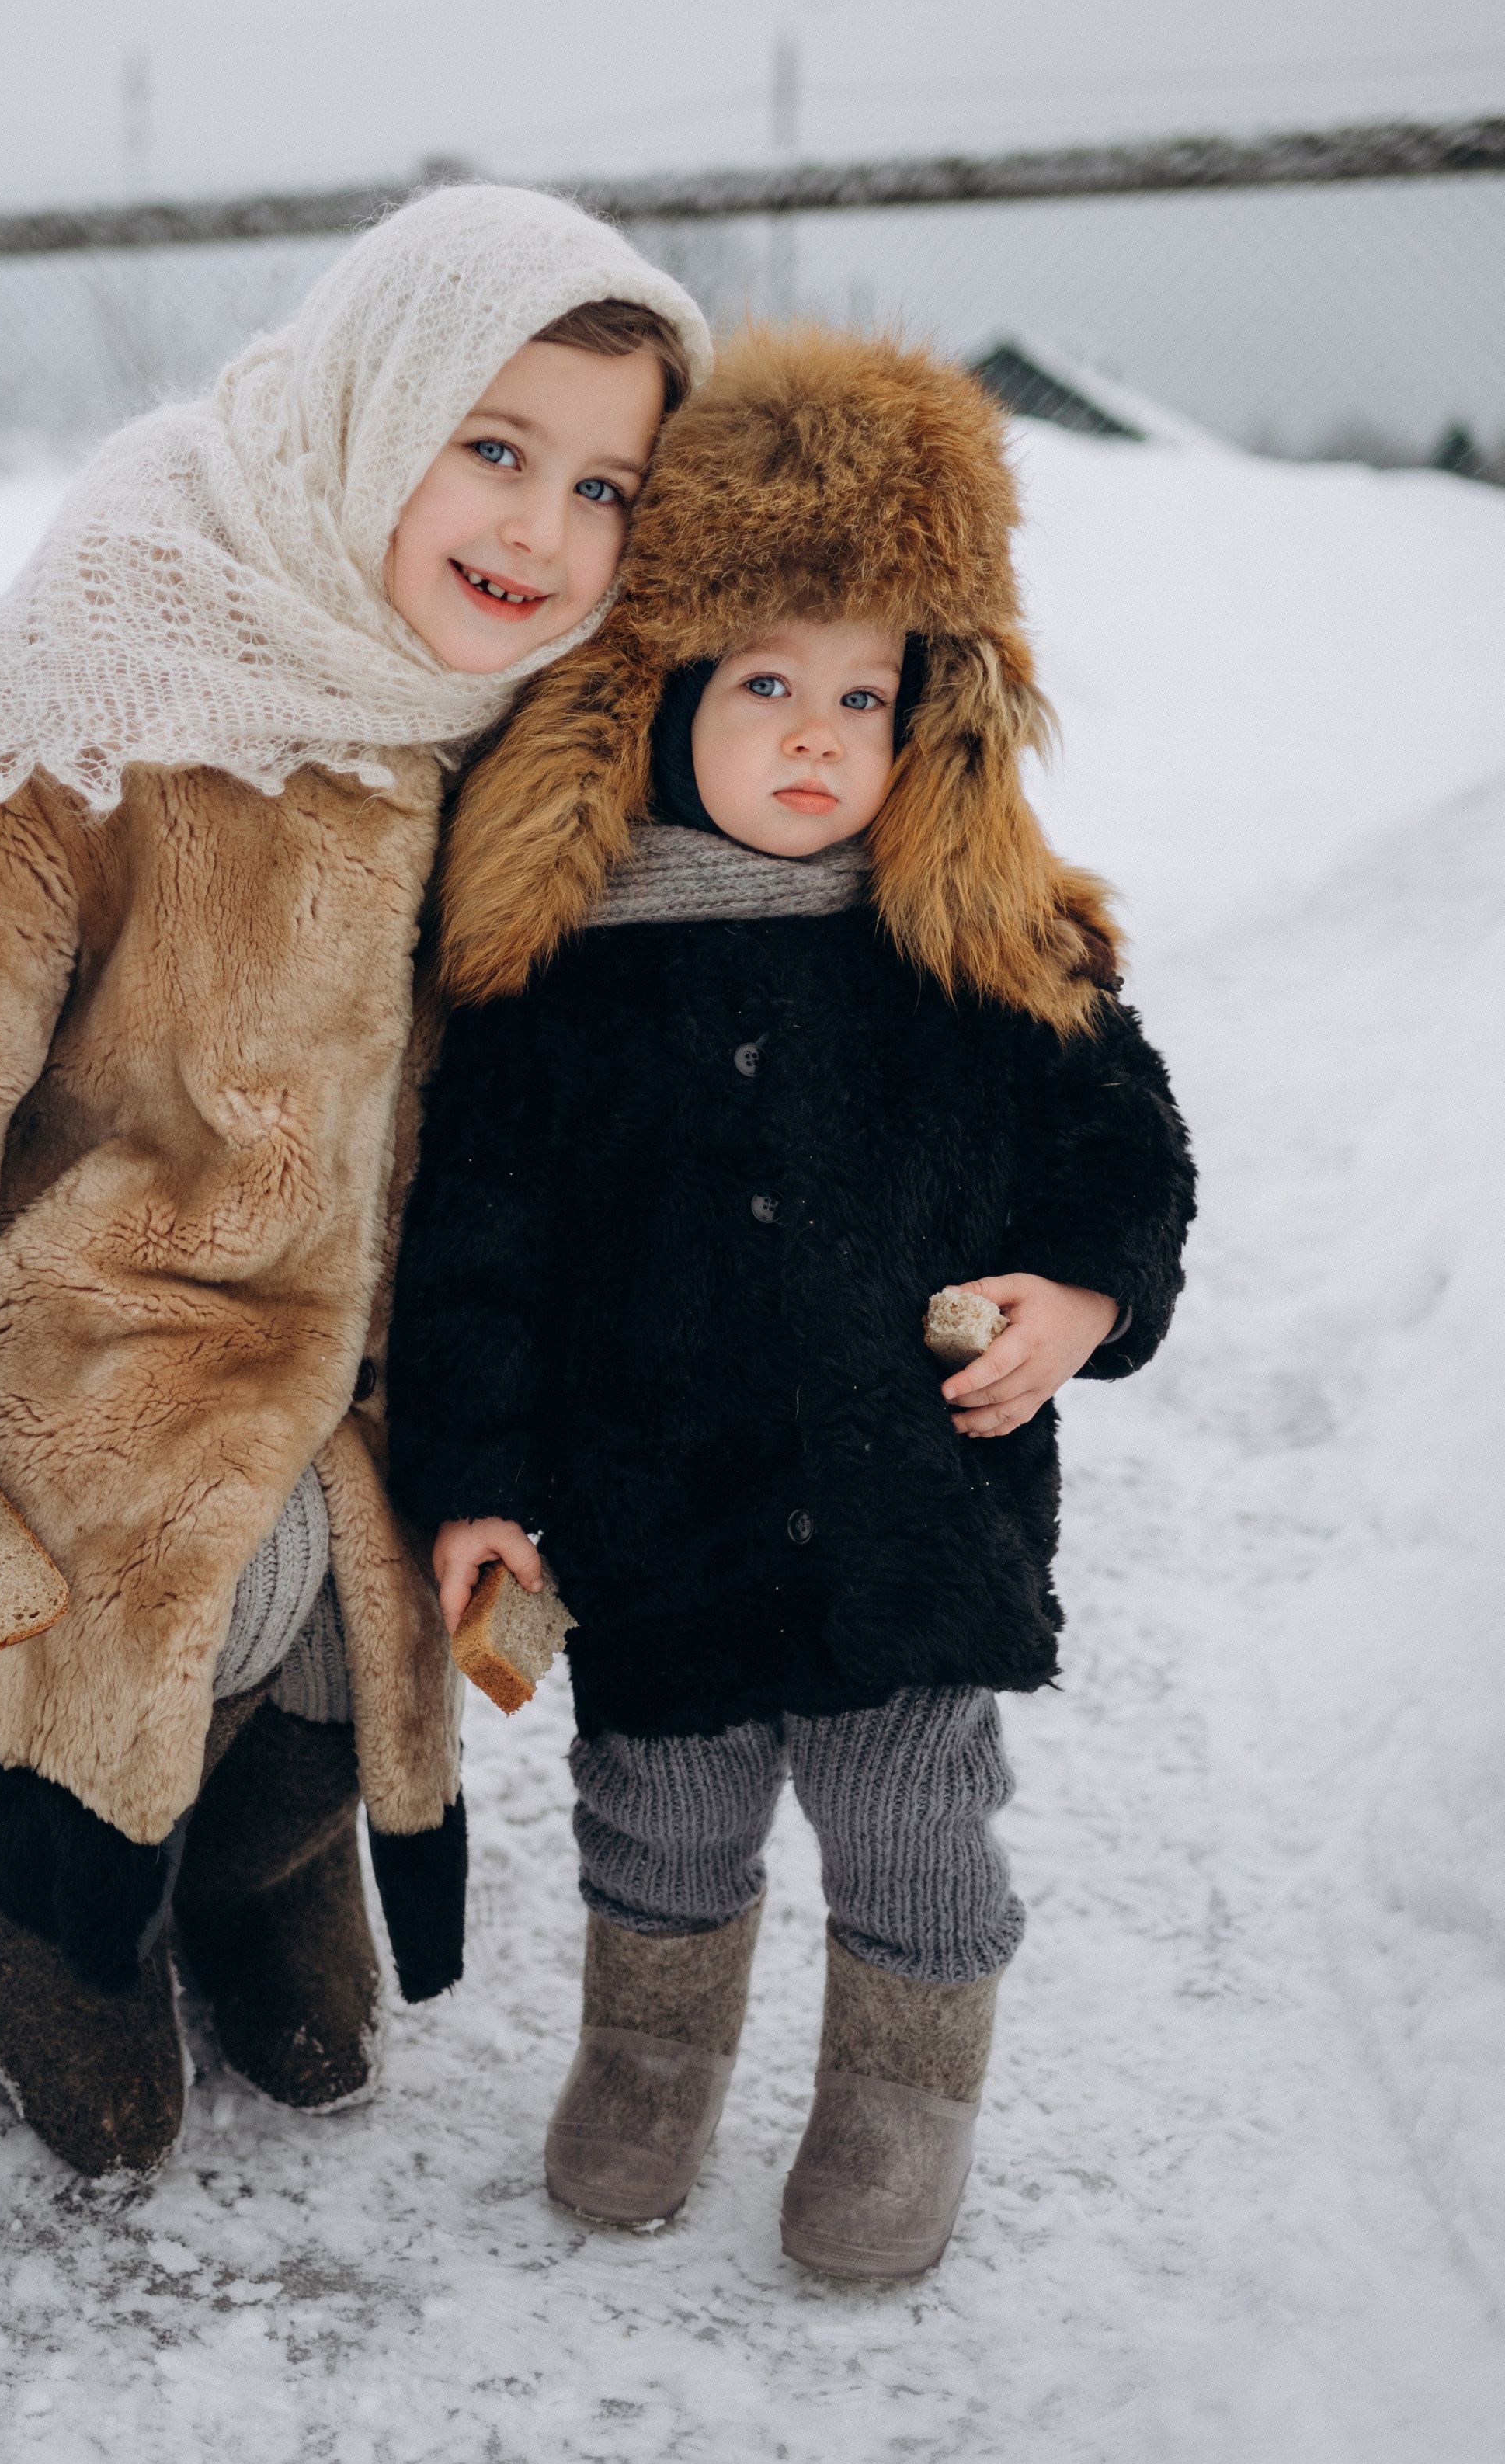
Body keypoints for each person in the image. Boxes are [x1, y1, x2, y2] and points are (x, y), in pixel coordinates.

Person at [0, 184, 711, 2179]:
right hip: (98, 1345)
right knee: (221, 1552)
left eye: (604, 486)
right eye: (494, 448)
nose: (542, 531)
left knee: (399, 1575)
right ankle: (65, 1890)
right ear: (376, 408)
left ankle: (262, 1862)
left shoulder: (526, 731)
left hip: (381, 1347)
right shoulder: (114, 667)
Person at [384, 321, 1197, 2282]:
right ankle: (647, 2059)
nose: (815, 733)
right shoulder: (566, 978)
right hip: (650, 1516)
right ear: (663, 694)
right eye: (764, 682)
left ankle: (898, 2099)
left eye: (861, 692)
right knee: (656, 1811)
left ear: (934, 715)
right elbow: (475, 1248)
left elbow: (1124, 1152)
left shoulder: (973, 947)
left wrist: (1079, 1296)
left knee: (909, 1818)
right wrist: (474, 1481)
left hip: (907, 1512)